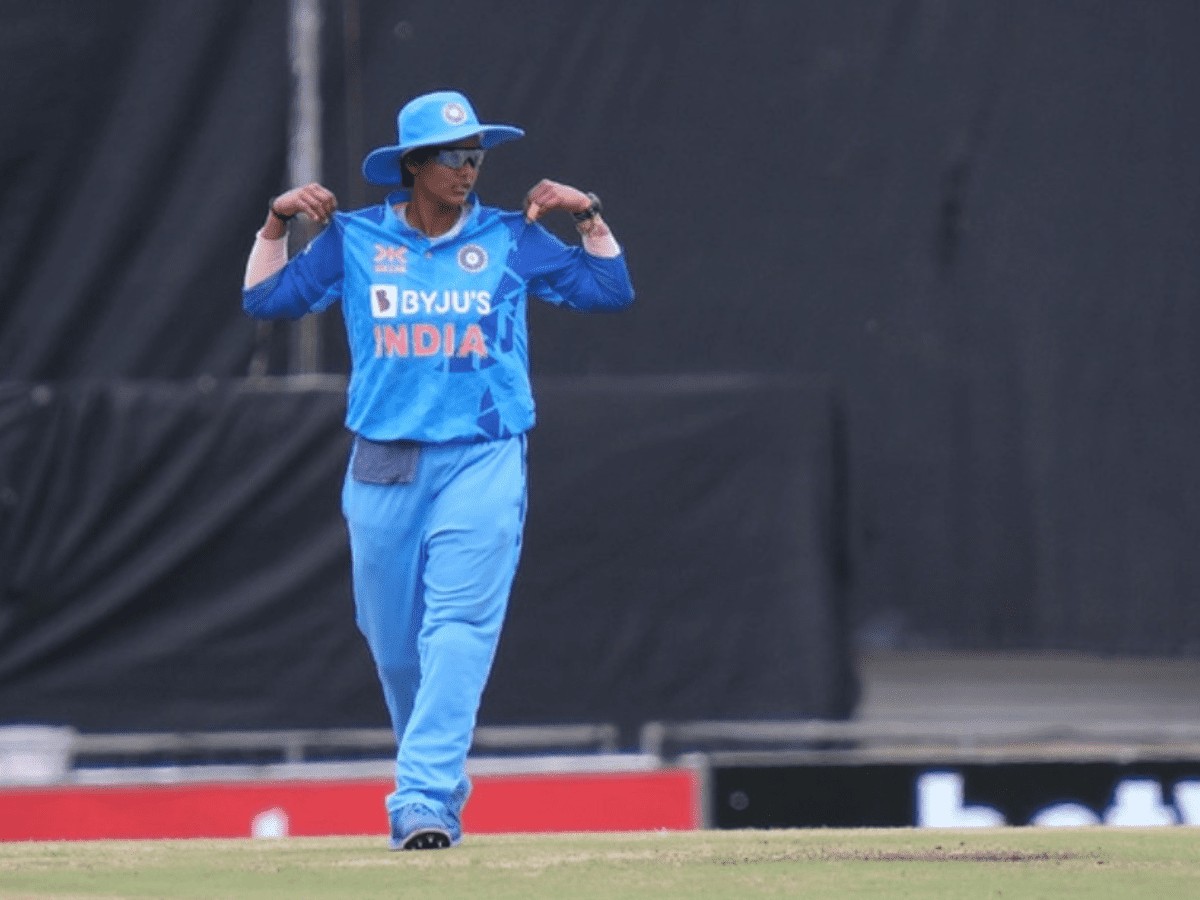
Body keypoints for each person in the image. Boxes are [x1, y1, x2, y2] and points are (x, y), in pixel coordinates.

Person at [242, 89, 634, 850]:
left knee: (457, 628)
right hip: (384, 459)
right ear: (414, 166)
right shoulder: (357, 238)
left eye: (475, 155)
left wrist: (587, 215)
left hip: (484, 454)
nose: (468, 168)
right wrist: (275, 224)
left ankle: (421, 799)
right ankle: (436, 779)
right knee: (394, 644)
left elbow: (608, 291)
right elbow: (266, 301)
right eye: (453, 156)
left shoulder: (508, 237)